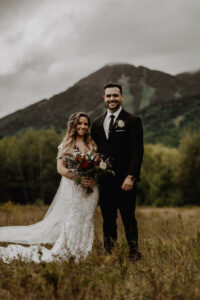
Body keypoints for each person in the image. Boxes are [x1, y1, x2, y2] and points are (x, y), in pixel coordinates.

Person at [0, 112, 98, 263]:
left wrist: (93, 177)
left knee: (87, 219)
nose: (83, 127)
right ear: (73, 125)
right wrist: (79, 178)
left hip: (91, 190)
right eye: (80, 123)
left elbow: (96, 166)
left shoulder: (92, 145)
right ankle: (69, 252)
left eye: (86, 124)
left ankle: (83, 252)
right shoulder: (66, 145)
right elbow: (61, 169)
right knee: (73, 218)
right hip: (74, 188)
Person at [91, 83, 144, 261]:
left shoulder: (132, 120)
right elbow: (96, 151)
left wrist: (131, 176)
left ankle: (134, 253)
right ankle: (110, 254)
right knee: (108, 219)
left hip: (125, 180)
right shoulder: (97, 123)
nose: (111, 99)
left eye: (115, 95)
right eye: (108, 96)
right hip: (105, 181)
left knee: (129, 218)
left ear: (122, 97)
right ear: (104, 98)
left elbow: (138, 150)